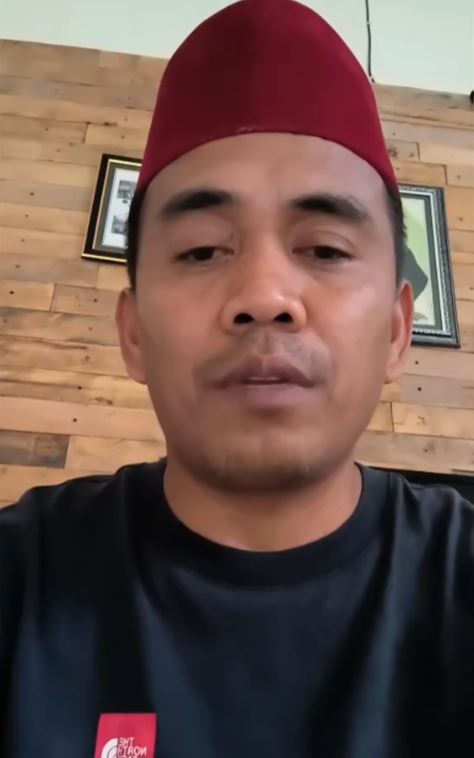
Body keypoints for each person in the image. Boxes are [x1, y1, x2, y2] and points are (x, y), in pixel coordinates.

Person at [1, 1, 473, 756]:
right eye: (200, 251)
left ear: (395, 331)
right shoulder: (21, 582)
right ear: (133, 333)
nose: (264, 296)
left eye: (324, 249)